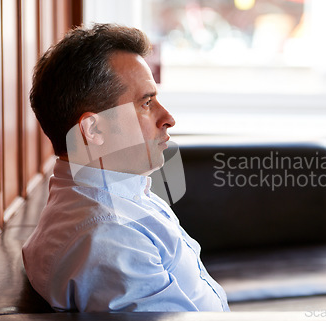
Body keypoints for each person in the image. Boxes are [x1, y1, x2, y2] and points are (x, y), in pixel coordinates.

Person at [22, 23, 230, 312]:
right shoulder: (110, 237)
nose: (168, 118)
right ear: (93, 130)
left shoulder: (119, 194)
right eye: (146, 103)